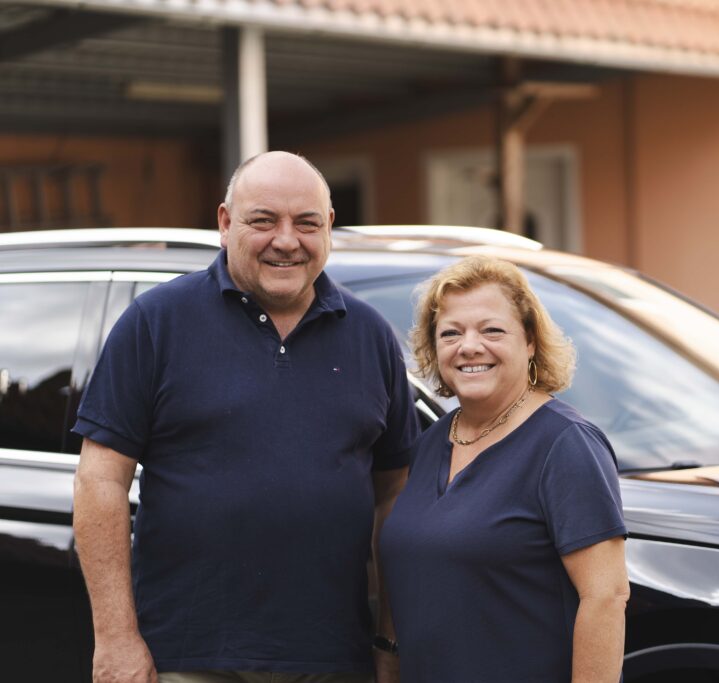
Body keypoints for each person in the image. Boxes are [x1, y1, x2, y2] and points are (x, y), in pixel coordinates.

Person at [72, 151, 418, 683]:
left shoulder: (370, 335)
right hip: (187, 656)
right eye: (263, 220)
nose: (286, 240)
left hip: (332, 656)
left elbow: (396, 492)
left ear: (329, 228)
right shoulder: (156, 323)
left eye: (306, 223)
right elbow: (100, 479)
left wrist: (388, 641)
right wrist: (116, 637)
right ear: (225, 223)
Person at [379, 255, 630, 682]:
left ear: (530, 340)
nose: (470, 346)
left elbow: (606, 596)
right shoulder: (430, 444)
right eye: (451, 333)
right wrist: (387, 660)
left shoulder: (565, 444)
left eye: (491, 329)